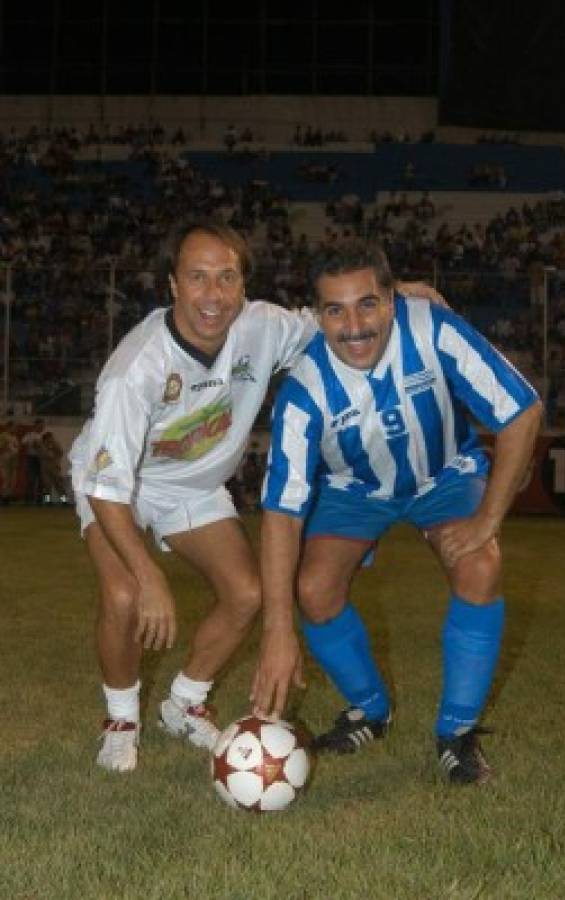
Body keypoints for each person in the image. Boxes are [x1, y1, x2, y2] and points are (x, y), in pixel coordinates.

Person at [70, 217, 445, 774]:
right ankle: (122, 720)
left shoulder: (262, 326)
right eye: (197, 278)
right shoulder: (136, 368)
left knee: (247, 593)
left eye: (226, 278)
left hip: (192, 485)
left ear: (243, 285)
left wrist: (400, 293)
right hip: (119, 487)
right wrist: (148, 575)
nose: (212, 295)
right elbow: (106, 487)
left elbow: (333, 321)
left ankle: (184, 702)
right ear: (173, 285)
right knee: (125, 595)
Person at [252, 239, 542, 785]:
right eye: (335, 310)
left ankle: (456, 733)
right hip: (353, 488)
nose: (354, 325)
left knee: (480, 565)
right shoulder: (303, 391)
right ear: (318, 317)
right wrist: (277, 631)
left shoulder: (433, 328)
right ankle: (370, 709)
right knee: (314, 591)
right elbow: (280, 515)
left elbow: (522, 411)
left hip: (445, 474)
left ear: (391, 299)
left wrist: (487, 522)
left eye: (367, 304)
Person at [0, 420, 20, 504]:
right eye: (13, 427)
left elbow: (17, 447)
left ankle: (8, 495)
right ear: (9, 427)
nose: (15, 429)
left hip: (13, 459)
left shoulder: (15, 437)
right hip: (6, 458)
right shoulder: (3, 435)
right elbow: (1, 446)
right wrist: (6, 446)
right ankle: (4, 497)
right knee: (6, 478)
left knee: (13, 479)